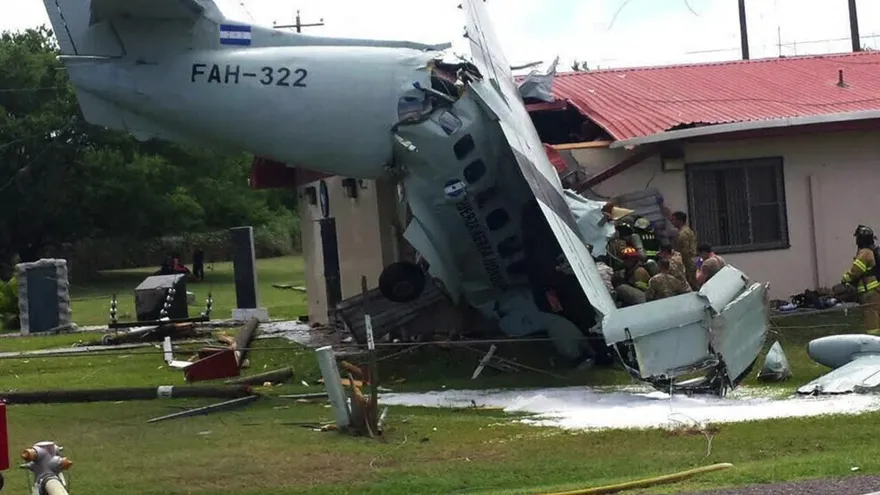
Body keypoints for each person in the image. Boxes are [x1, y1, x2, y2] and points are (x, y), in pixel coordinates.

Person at [842, 225, 880, 335]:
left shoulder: (865, 253)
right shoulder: (872, 251)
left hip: (869, 292)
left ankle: (874, 343)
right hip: (876, 289)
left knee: (871, 319)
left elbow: (855, 272)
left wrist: (845, 278)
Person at [662, 207, 698, 288]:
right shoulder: (688, 230)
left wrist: (680, 263)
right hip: (691, 261)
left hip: (687, 263)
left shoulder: (682, 234)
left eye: (673, 220)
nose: (671, 222)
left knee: (690, 285)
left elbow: (684, 251)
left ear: (679, 220)